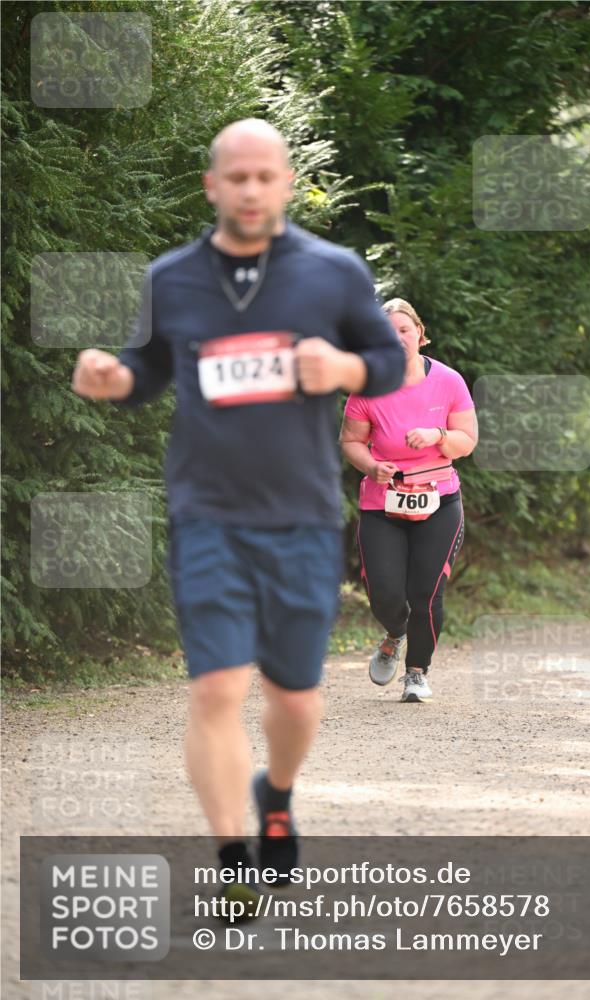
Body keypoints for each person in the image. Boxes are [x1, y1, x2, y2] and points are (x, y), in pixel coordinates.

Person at [71, 119, 405, 916]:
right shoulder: (173, 278)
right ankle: (232, 861)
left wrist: (345, 365)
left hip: (301, 516)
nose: (250, 190)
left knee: (294, 700)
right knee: (216, 689)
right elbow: (149, 368)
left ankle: (276, 794)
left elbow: (388, 362)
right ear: (212, 186)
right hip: (207, 514)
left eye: (264, 176)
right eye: (236, 177)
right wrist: (112, 378)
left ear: (285, 183)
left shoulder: (333, 272)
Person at [340, 298, 477, 703]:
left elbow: (467, 441)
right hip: (383, 503)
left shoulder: (448, 381)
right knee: (383, 593)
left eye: (404, 329)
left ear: (419, 332)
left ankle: (417, 673)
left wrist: (439, 435)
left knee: (426, 594)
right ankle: (395, 633)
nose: (397, 337)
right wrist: (372, 466)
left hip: (439, 501)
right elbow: (350, 441)